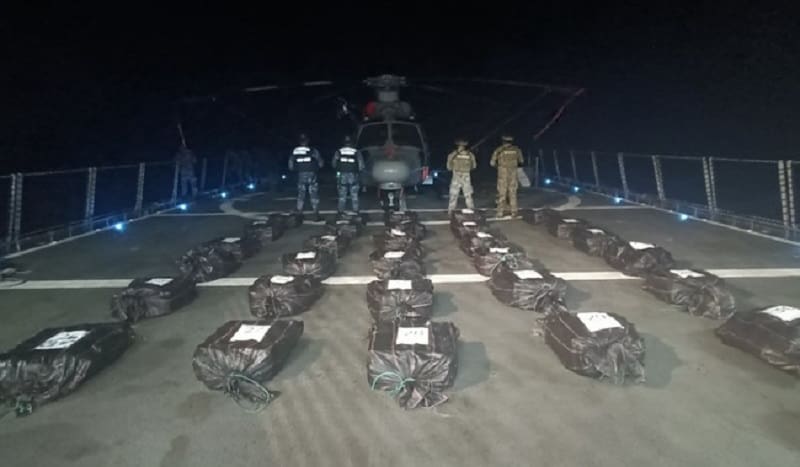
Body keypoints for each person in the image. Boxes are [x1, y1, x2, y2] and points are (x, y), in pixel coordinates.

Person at [288, 133, 323, 220]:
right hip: (311, 174)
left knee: (301, 194)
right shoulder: (313, 150)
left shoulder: (295, 151)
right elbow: (320, 163)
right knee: (313, 194)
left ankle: (299, 213)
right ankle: (316, 213)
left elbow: (290, 164)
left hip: (300, 174)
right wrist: (318, 167)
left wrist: (294, 169)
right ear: (307, 141)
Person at [490, 134, 524, 217]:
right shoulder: (516, 150)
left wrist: (499, 167)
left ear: (503, 141)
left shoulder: (499, 150)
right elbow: (521, 161)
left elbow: (492, 163)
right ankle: (514, 211)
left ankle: (500, 212)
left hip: (502, 174)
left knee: (502, 193)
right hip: (513, 174)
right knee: (513, 193)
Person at [332, 135, 364, 213]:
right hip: (353, 175)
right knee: (354, 195)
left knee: (342, 195)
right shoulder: (356, 152)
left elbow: (334, 164)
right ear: (352, 142)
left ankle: (340, 211)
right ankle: (356, 211)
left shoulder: (339, 152)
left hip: (342, 175)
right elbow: (361, 166)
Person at [446, 138, 477, 214]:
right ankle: (471, 210)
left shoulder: (453, 154)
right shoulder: (470, 154)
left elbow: (448, 167)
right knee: (467, 195)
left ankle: (451, 211)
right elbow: (474, 166)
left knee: (454, 195)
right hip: (466, 176)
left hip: (457, 176)